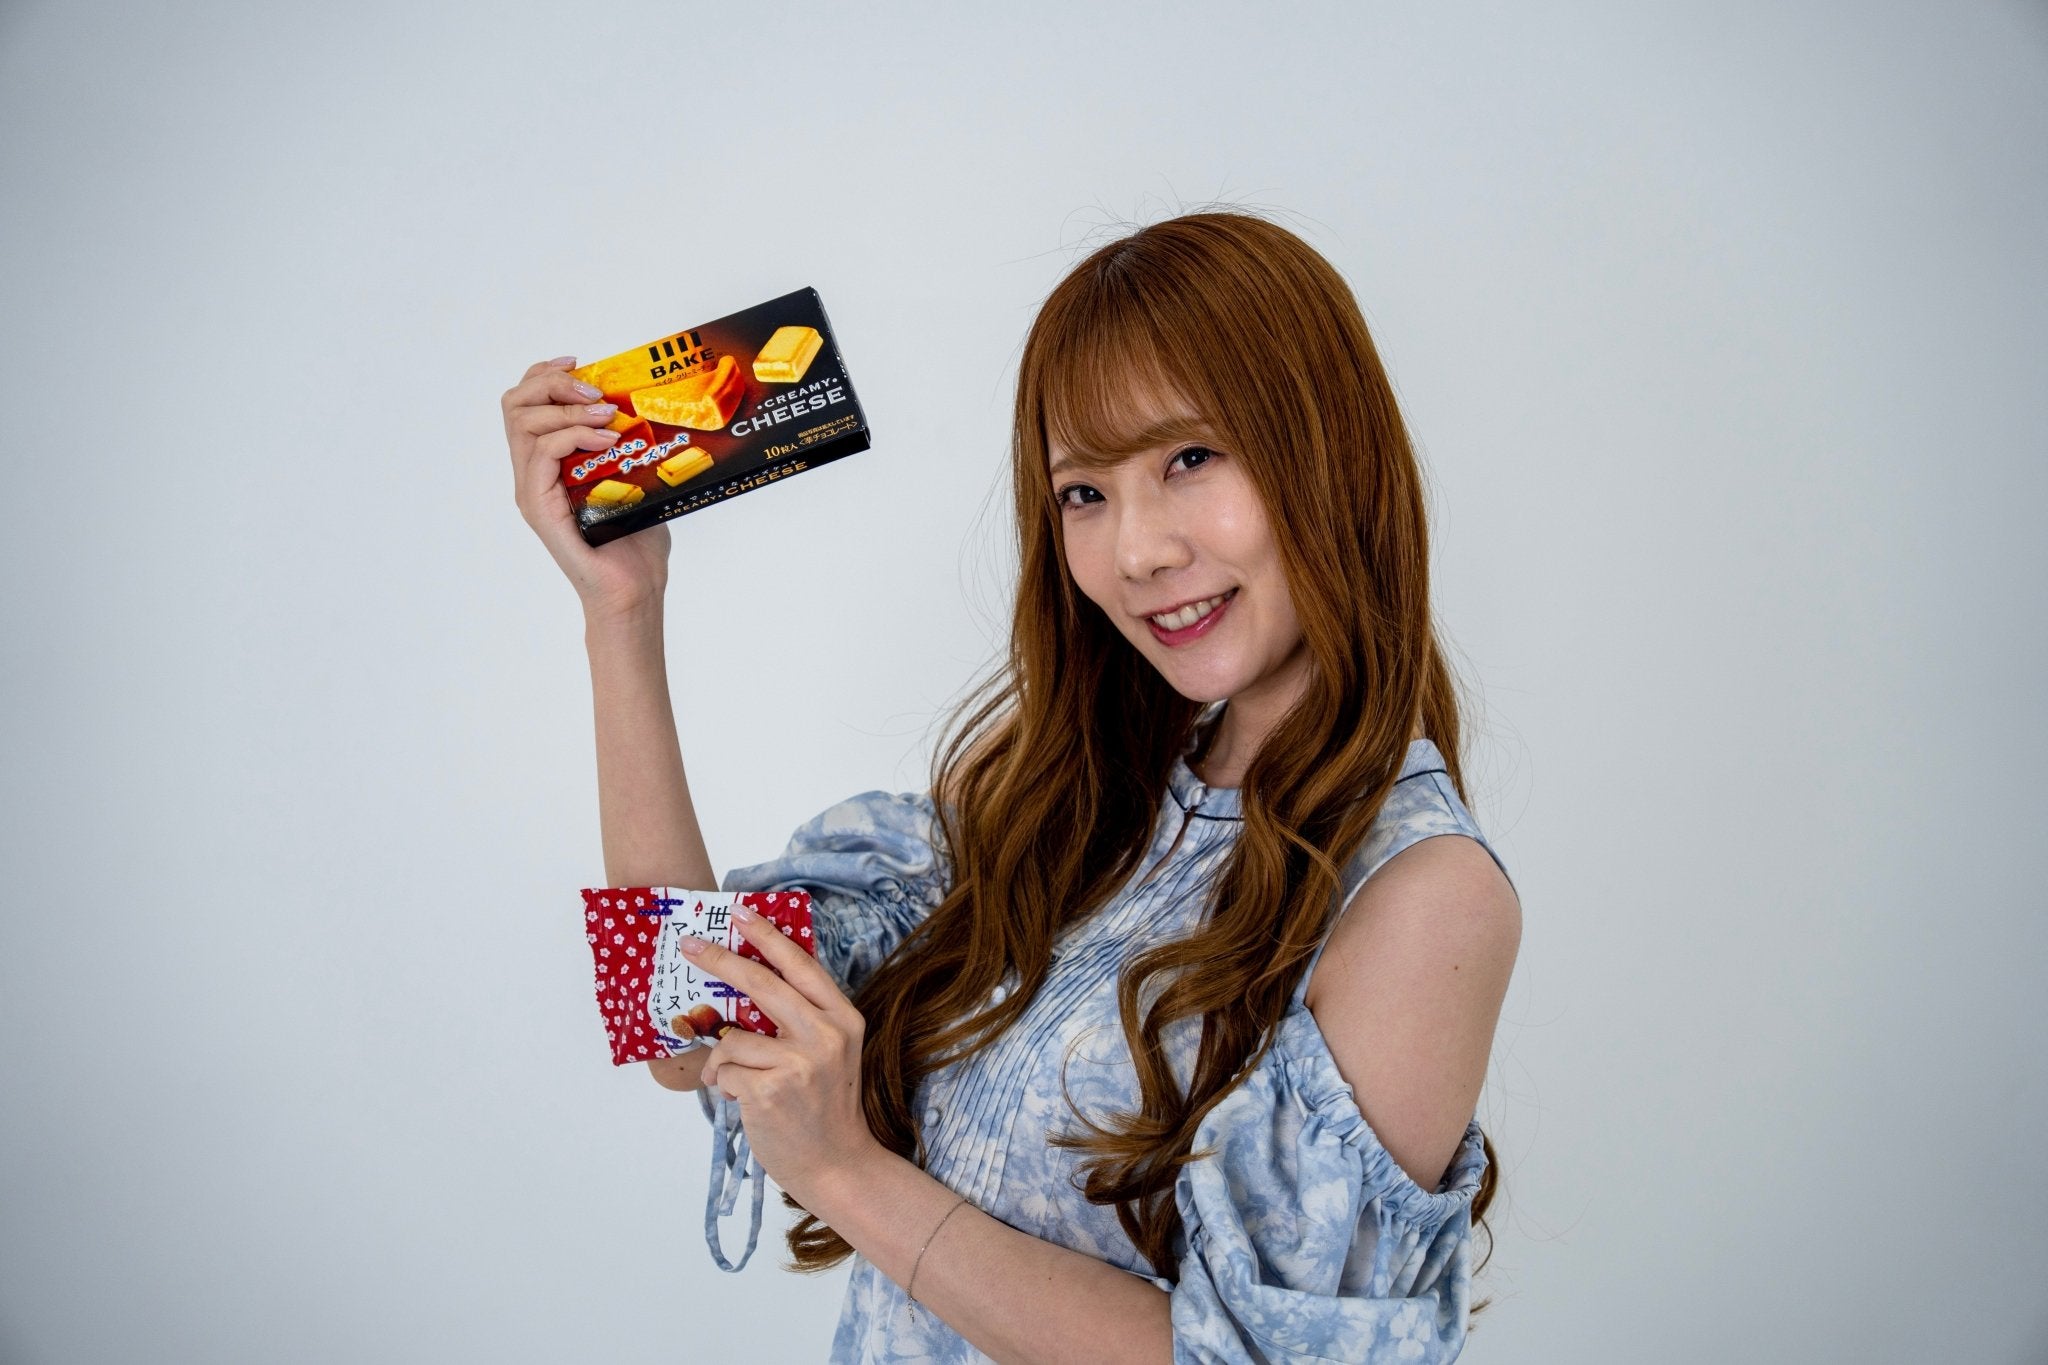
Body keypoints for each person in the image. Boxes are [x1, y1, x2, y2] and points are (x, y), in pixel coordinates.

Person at [501, 210, 1522, 1363]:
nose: (1135, 552)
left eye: (1189, 459)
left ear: (1330, 452)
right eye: (1083, 492)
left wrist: (843, 1172)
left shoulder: (1418, 897)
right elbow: (685, 1027)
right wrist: (621, 612)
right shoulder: (1063, 811)